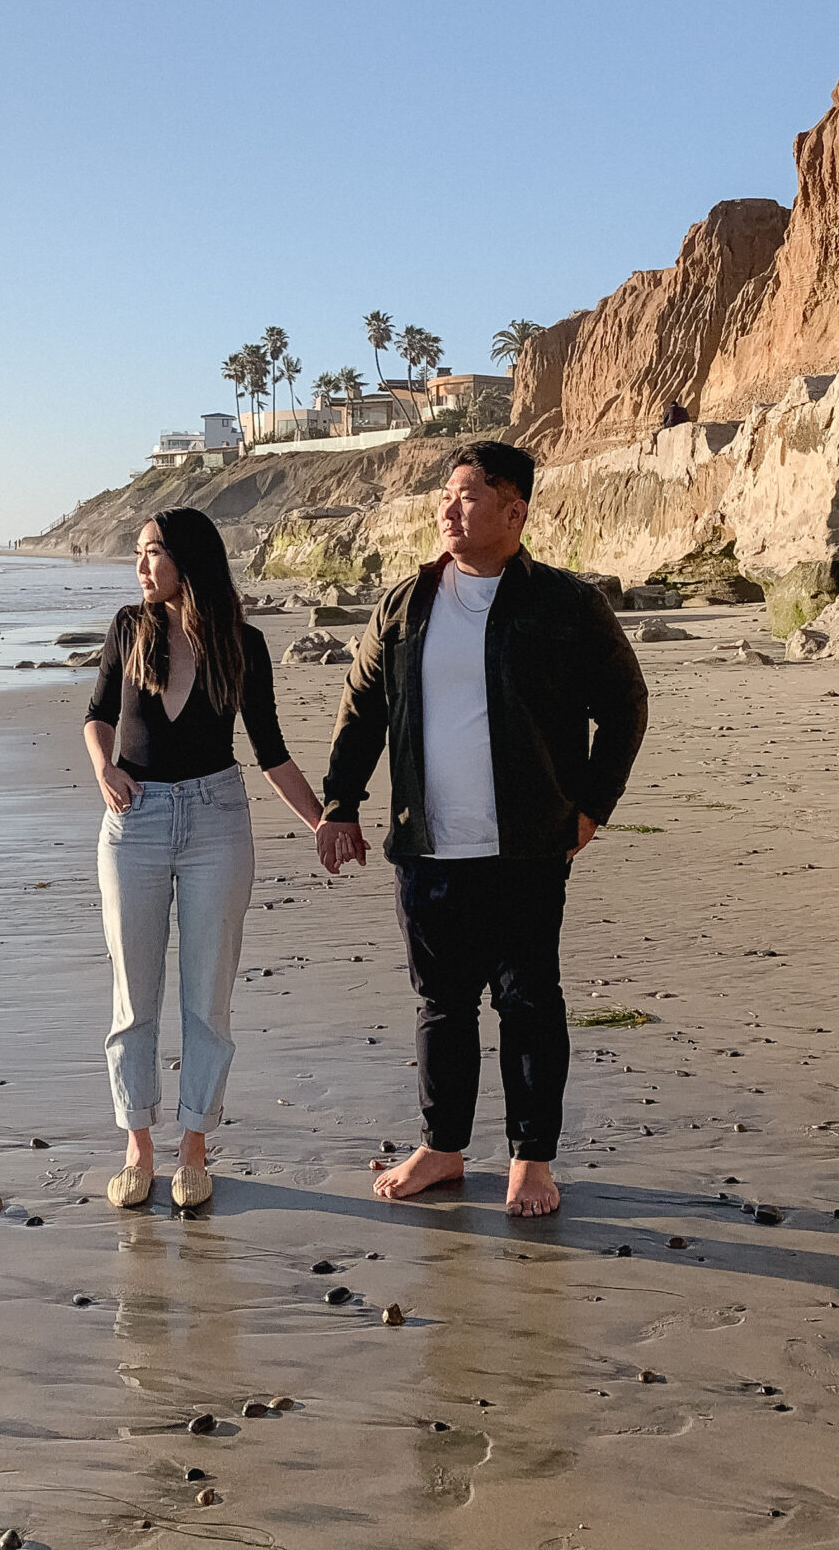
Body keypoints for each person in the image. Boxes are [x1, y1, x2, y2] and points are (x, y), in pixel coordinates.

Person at [316, 441, 647, 1217]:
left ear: (514, 511)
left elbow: (625, 705)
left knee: (529, 1000)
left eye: (468, 495)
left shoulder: (566, 604)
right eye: (446, 494)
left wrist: (592, 804)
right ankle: (444, 1147)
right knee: (441, 1004)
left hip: (527, 842)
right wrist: (340, 803)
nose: (449, 508)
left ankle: (532, 1160)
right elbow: (362, 708)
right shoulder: (404, 604)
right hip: (426, 843)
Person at [84, 507, 324, 1209]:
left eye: (151, 552)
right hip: (135, 819)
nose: (140, 566)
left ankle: (194, 1146)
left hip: (218, 821)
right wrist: (104, 770)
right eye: (136, 553)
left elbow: (271, 749)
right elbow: (98, 715)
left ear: (187, 558)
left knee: (207, 999)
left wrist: (321, 821)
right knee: (133, 998)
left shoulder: (241, 643)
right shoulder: (129, 629)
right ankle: (139, 1146)